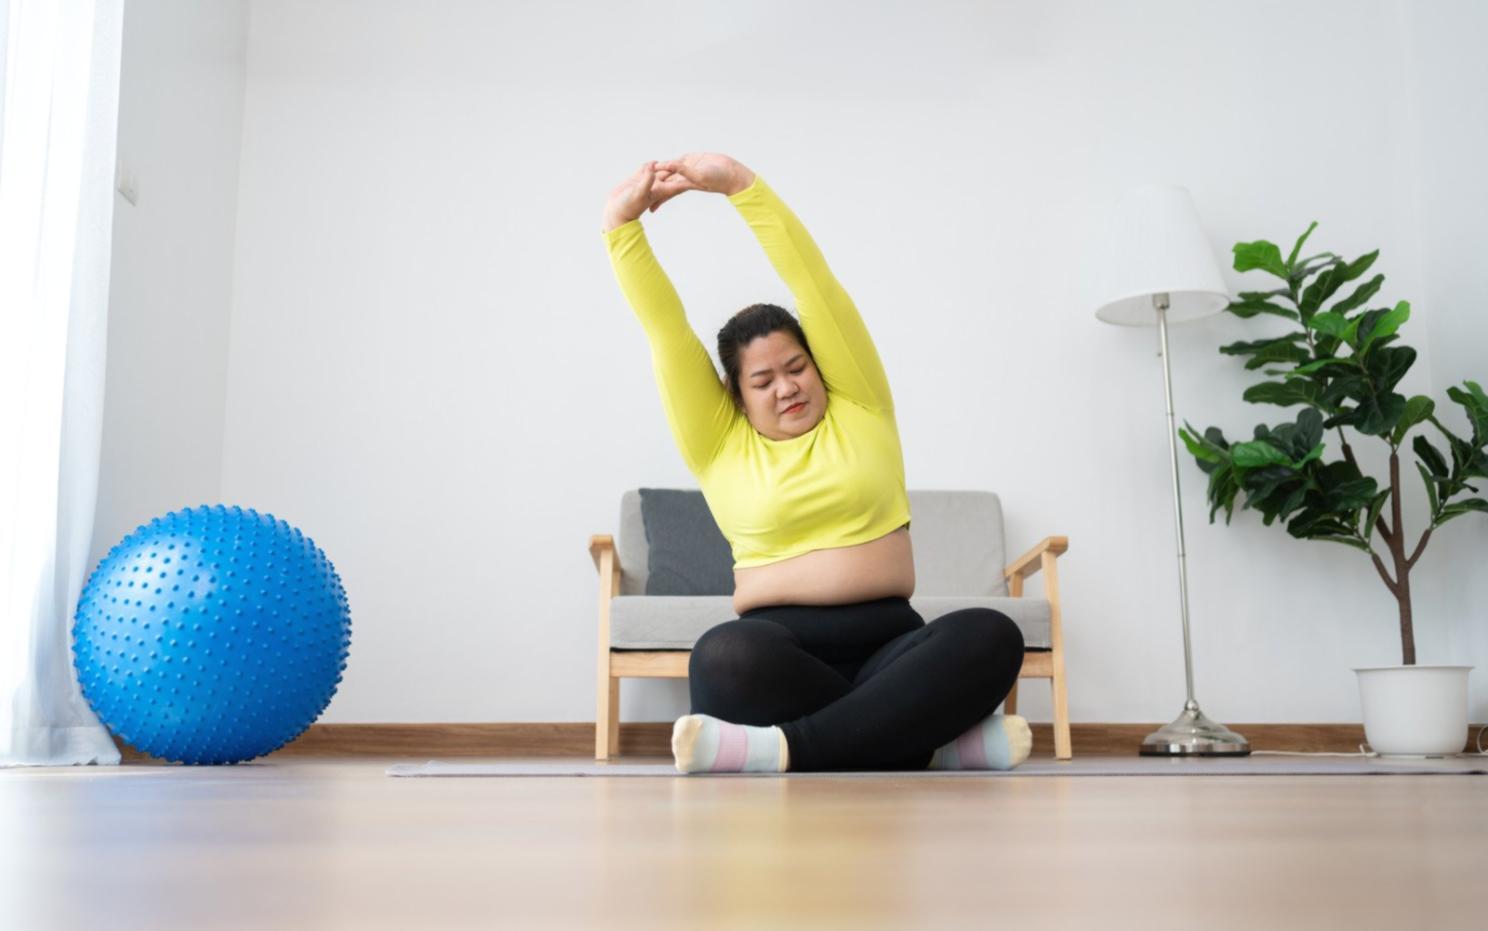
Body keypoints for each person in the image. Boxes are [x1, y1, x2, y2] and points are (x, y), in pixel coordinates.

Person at [601, 153, 1029, 773]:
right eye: (764, 380)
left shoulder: (860, 403)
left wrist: (742, 187)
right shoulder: (719, 442)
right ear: (736, 397)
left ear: (819, 365)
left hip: (893, 643)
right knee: (722, 658)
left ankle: (790, 748)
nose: (787, 388)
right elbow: (666, 331)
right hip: (778, 650)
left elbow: (814, 285)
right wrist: (622, 228)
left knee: (993, 635)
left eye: (797, 368)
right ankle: (924, 742)